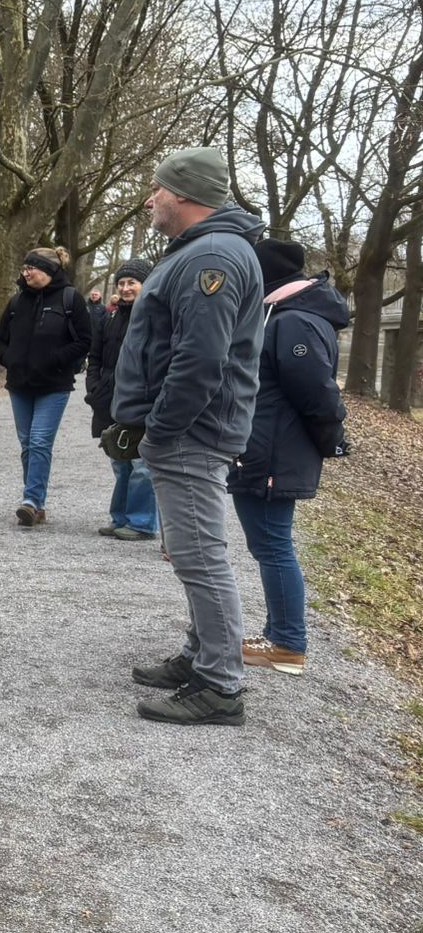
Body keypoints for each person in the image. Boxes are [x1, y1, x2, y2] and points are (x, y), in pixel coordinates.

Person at [106, 146, 266, 726]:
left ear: (184, 194)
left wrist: (160, 428)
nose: (150, 199)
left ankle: (220, 687)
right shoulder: (203, 251)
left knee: (200, 558)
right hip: (187, 432)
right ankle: (201, 658)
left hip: (189, 434)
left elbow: (201, 360)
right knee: (193, 552)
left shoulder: (214, 257)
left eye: (157, 189)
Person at [227, 238, 350, 677]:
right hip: (266, 446)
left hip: (274, 451)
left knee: (274, 545)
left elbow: (317, 393)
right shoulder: (281, 315)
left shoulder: (293, 321)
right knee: (269, 544)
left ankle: (287, 643)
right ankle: (278, 635)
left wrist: (331, 436)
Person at [0, 246, 91, 526]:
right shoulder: (16, 302)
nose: (25, 273)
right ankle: (37, 505)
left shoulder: (71, 300)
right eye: (24, 269)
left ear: (47, 270)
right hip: (20, 385)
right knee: (27, 444)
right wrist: (9, 359)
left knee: (39, 441)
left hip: (54, 385)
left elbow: (85, 340)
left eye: (30, 269)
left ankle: (31, 500)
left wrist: (56, 359)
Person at [84, 258, 157, 541]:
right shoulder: (110, 317)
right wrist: (95, 386)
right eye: (122, 283)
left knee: (141, 462)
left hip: (140, 396)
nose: (126, 288)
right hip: (110, 395)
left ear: (145, 284)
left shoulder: (154, 316)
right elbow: (96, 356)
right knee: (118, 457)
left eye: (132, 283)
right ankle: (120, 517)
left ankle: (141, 522)